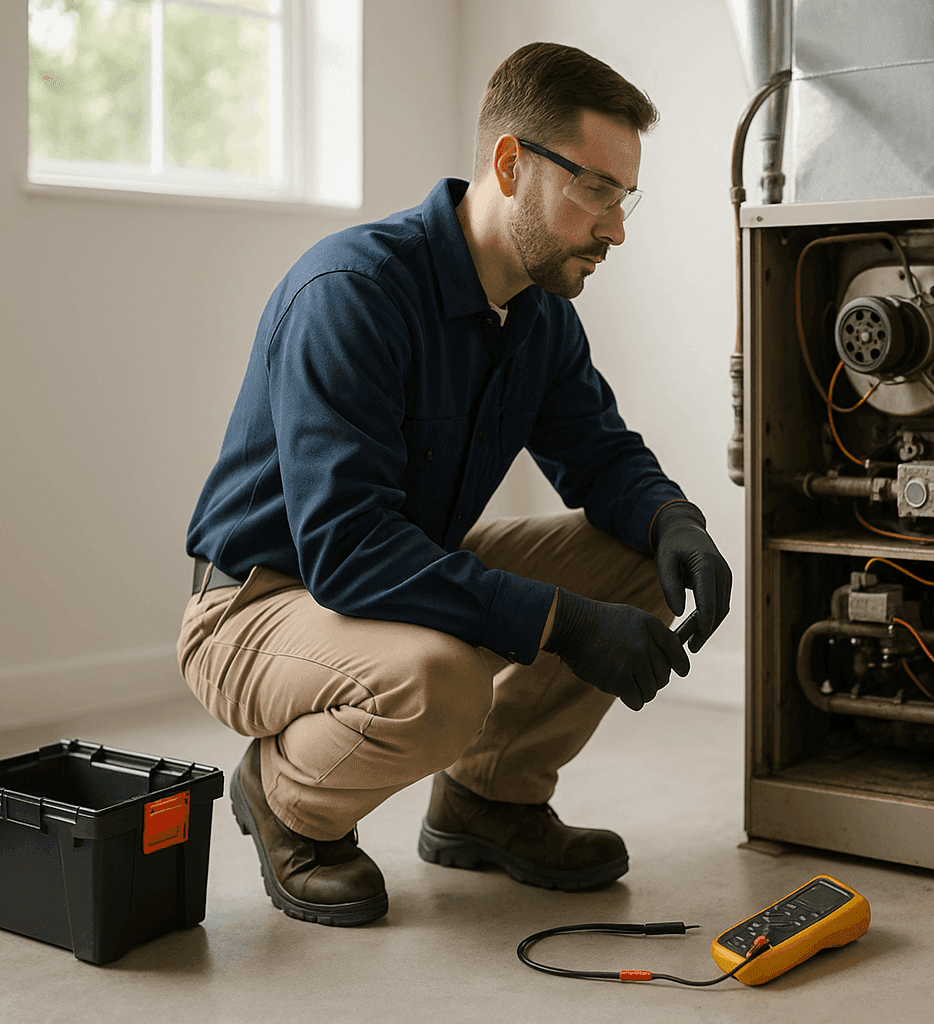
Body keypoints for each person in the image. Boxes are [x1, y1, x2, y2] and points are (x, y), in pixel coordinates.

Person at [177, 42, 732, 928]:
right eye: (595, 189)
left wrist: (675, 523)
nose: (616, 227)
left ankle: (491, 800)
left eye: (624, 198)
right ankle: (286, 800)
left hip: (386, 572)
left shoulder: (540, 317)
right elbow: (350, 552)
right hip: (257, 605)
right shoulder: (353, 292)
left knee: (634, 560)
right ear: (511, 163)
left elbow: (599, 455)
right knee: (441, 682)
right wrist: (564, 623)